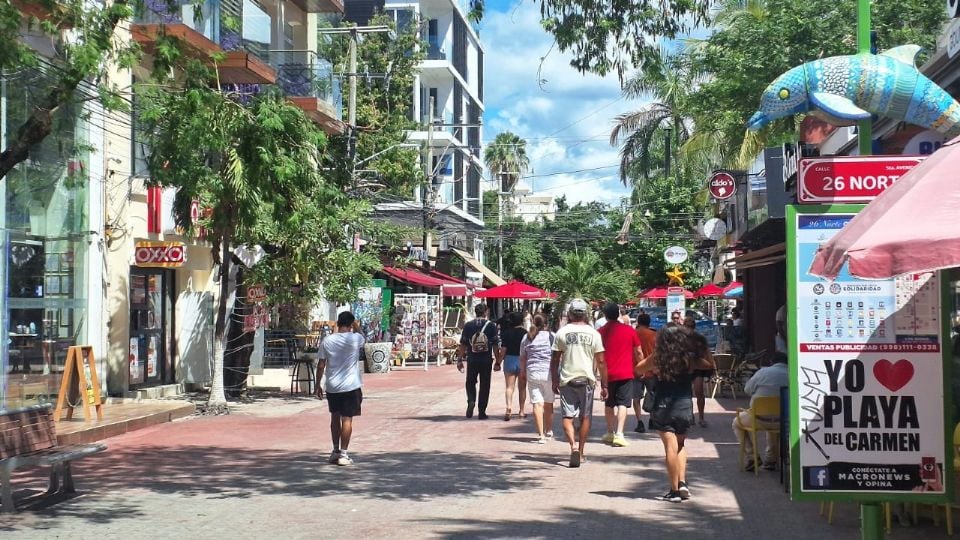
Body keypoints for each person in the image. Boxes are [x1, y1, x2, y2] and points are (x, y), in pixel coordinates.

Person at [634, 325, 698, 502]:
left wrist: (653, 368)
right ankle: (683, 482)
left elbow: (639, 369)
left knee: (670, 446)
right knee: (681, 444)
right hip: (684, 403)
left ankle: (674, 490)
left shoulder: (659, 357)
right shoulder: (689, 357)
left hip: (664, 404)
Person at [552, 298, 608, 468]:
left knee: (567, 417)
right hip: (586, 380)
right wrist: (605, 384)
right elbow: (601, 361)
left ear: (569, 314)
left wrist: (555, 379)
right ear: (586, 314)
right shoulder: (594, 334)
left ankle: (573, 446)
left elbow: (555, 359)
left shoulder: (562, 333)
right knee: (585, 417)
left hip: (567, 379)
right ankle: (581, 452)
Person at [317, 311, 365, 466]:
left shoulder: (327, 340)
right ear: (351, 324)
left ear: (337, 323)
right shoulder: (355, 338)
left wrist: (318, 384)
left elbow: (321, 364)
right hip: (351, 386)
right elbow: (362, 335)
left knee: (334, 417)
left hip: (332, 386)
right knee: (347, 419)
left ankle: (335, 450)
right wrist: (356, 326)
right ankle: (344, 454)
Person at [733, 351, 789, 471]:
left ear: (772, 362)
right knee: (773, 427)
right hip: (783, 420)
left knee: (736, 423)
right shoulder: (792, 374)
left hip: (758, 419)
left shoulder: (763, 372)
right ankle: (771, 459)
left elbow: (747, 389)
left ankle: (752, 456)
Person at [597, 301, 642, 447]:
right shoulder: (629, 331)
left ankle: (609, 432)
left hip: (607, 374)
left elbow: (597, 355)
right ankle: (619, 434)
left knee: (609, 403)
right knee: (623, 404)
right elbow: (639, 352)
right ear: (618, 314)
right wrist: (641, 367)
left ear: (605, 315)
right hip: (625, 373)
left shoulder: (600, 332)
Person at [457, 303, 502, 420]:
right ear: (485, 312)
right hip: (486, 359)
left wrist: (460, 359)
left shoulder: (468, 326)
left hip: (472, 359)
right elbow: (495, 345)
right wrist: (498, 361)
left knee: (470, 382)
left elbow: (463, 344)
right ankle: (482, 411)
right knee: (485, 385)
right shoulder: (491, 326)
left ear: (475, 312)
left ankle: (471, 400)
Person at [520, 314, 555, 443]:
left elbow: (523, 357)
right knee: (549, 402)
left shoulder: (527, 336)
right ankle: (549, 430)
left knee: (537, 403)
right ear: (546, 324)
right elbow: (557, 355)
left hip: (532, 372)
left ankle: (541, 435)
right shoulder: (552, 336)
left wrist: (522, 371)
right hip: (548, 372)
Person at [684, 315, 716, 428]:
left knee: (698, 392)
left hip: (698, 367)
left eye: (690, 326)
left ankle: (701, 417)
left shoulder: (699, 338)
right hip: (687, 367)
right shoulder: (682, 338)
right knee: (687, 393)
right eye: (687, 326)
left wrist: (711, 365)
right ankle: (690, 416)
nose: (688, 329)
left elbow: (707, 351)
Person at [500, 311, 528, 420]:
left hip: (509, 359)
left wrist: (498, 362)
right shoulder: (525, 333)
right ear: (521, 320)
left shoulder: (506, 333)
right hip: (521, 360)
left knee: (509, 387)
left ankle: (509, 407)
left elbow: (503, 349)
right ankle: (521, 411)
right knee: (522, 388)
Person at [633, 312, 658, 433]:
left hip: (636, 370)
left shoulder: (634, 334)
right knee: (652, 394)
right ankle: (652, 420)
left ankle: (639, 422)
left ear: (638, 322)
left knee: (636, 398)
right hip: (651, 371)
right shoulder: (655, 335)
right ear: (649, 323)